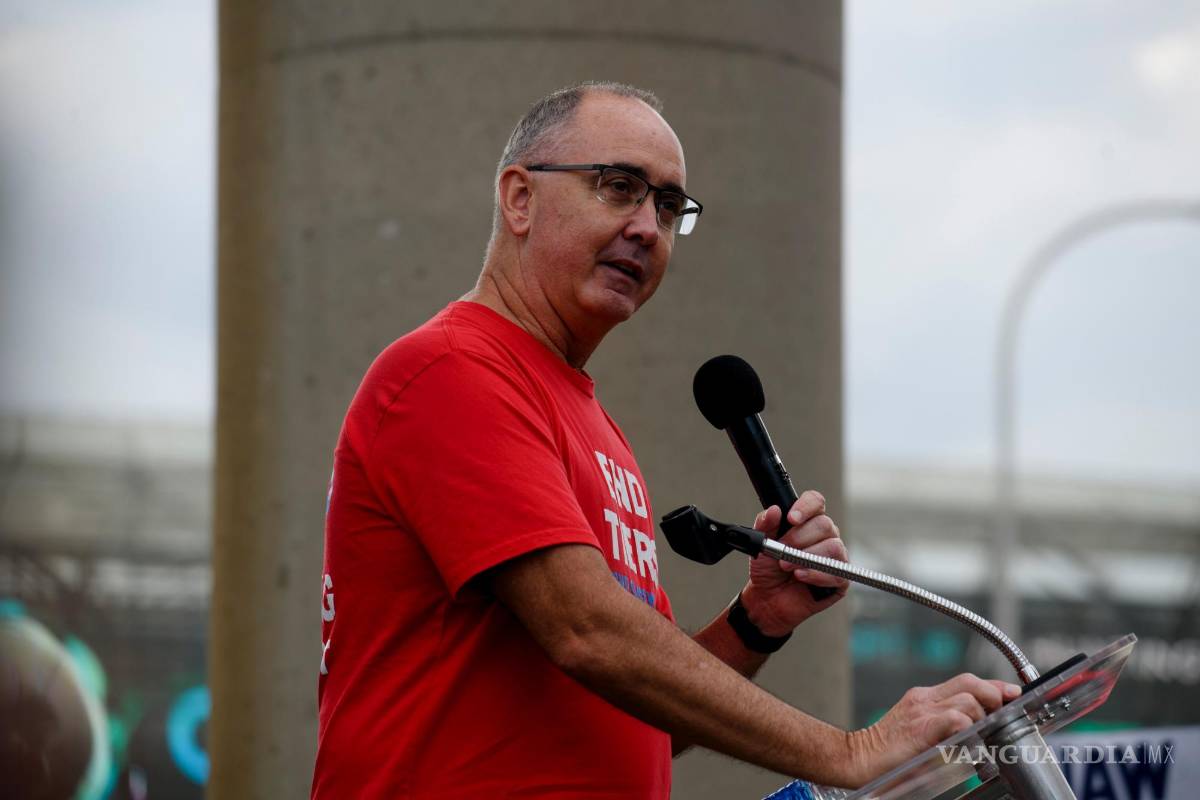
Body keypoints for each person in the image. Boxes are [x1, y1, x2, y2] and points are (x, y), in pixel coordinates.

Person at [311, 81, 1021, 798]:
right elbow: (589, 633)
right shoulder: (451, 370)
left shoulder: (591, 421)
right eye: (618, 187)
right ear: (520, 198)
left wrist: (757, 621)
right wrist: (848, 751)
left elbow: (637, 711)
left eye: (669, 205)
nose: (648, 226)